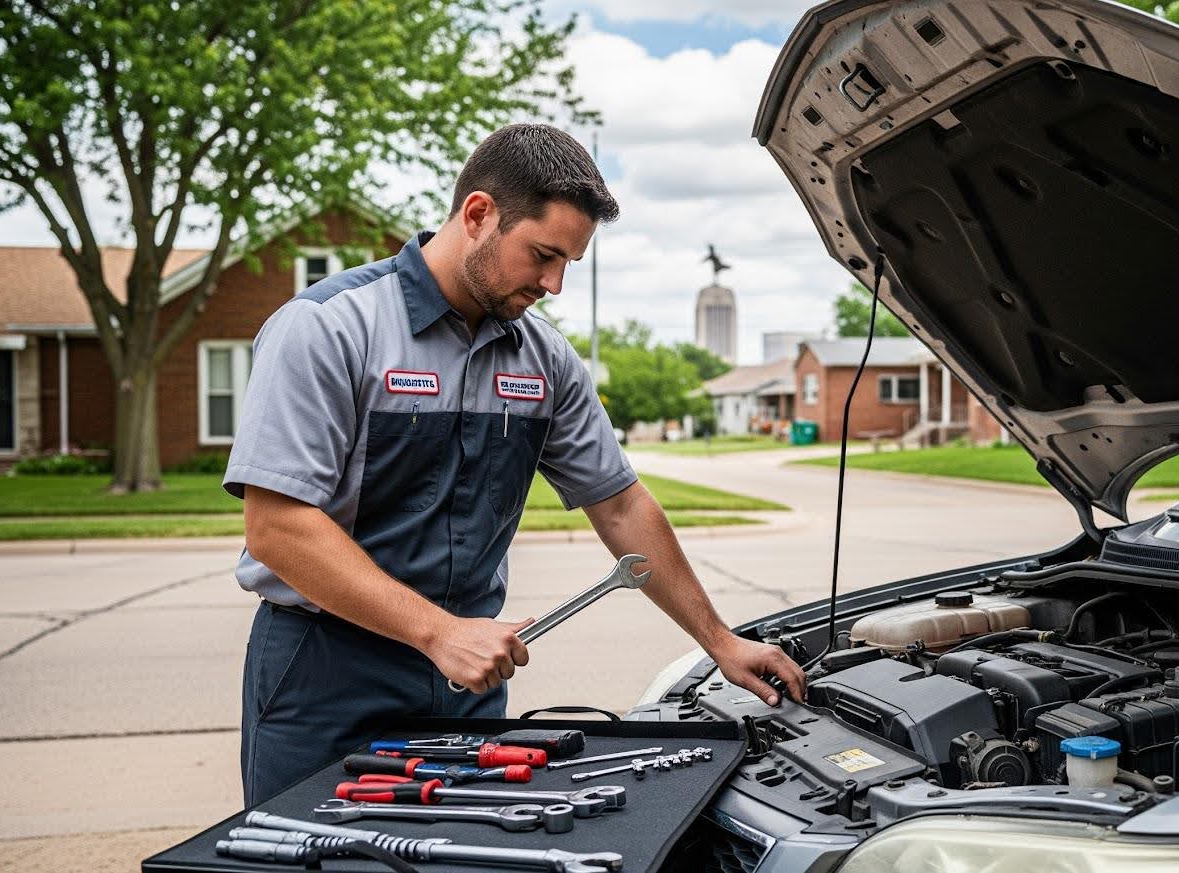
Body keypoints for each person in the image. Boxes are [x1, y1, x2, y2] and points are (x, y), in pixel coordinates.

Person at [225, 124, 806, 805]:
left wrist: (720, 641)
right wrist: (438, 631)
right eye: (543, 255)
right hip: (325, 672)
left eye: (569, 264)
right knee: (310, 848)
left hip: (468, 677)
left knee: (466, 848)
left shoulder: (545, 359)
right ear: (478, 214)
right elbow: (278, 527)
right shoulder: (327, 327)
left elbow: (620, 504)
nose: (554, 284)